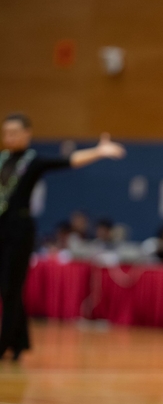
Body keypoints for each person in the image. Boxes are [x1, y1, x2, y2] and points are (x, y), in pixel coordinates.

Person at [0, 112, 125, 360]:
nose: (9, 137)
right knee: (7, 288)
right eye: (6, 133)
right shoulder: (2, 159)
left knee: (10, 287)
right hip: (1, 229)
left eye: (14, 133)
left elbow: (69, 160)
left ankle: (4, 343)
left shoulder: (33, 161)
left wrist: (98, 151)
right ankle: (20, 341)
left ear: (27, 134)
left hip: (20, 232)